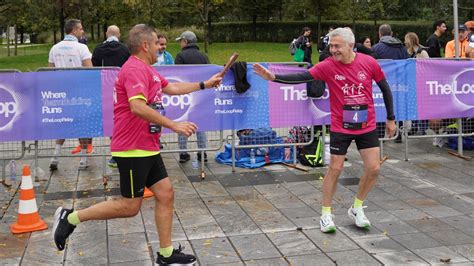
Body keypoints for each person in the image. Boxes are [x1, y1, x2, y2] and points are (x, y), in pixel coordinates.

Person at [52, 24, 222, 265]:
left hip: (147, 145)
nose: (160, 48)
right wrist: (174, 125)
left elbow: (171, 87)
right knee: (130, 206)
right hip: (133, 147)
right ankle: (70, 218)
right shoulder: (134, 69)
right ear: (145, 45)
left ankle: (166, 254)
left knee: (165, 193)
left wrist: (205, 84)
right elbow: (137, 107)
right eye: (156, 44)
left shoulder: (148, 69)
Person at [253, 27, 396, 233]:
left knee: (374, 169)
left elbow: (385, 88)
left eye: (337, 46)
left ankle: (357, 208)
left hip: (366, 124)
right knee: (335, 169)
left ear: (350, 45)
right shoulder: (328, 66)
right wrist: (273, 77)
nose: (333, 50)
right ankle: (326, 214)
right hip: (341, 126)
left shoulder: (369, 62)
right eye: (331, 46)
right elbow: (302, 76)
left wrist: (391, 118)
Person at [48, 19, 93, 171]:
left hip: (62, 92)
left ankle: (55, 156)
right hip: (80, 92)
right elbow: (90, 70)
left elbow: (50, 71)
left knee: (63, 123)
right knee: (82, 125)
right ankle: (83, 159)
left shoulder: (54, 48)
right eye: (80, 29)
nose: (82, 32)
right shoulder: (82, 47)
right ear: (73, 30)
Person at [92, 25, 130, 168]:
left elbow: (93, 68)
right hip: (123, 90)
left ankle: (115, 152)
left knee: (110, 121)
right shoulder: (125, 49)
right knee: (122, 120)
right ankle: (121, 152)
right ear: (119, 34)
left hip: (104, 89)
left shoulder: (98, 49)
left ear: (106, 34)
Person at [174, 30, 210, 163]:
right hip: (202, 94)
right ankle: (203, 153)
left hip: (186, 95)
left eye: (181, 41)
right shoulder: (203, 56)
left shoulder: (180, 56)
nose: (180, 44)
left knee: (183, 123)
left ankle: (183, 153)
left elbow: (177, 76)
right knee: (201, 125)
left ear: (186, 41)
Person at [372, 24, 408, 143]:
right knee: (398, 106)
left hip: (381, 84)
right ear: (391, 33)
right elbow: (407, 63)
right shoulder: (401, 47)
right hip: (399, 83)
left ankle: (381, 136)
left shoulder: (376, 48)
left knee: (382, 106)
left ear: (379, 34)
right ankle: (397, 135)